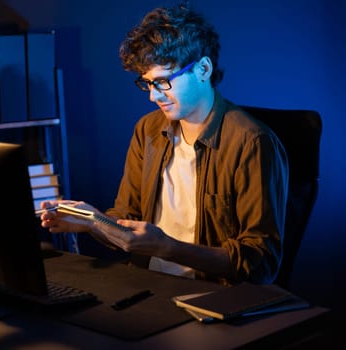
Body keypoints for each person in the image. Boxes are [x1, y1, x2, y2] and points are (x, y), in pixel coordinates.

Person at [40, 4, 289, 285]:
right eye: (147, 84)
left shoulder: (252, 143)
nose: (153, 96)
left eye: (163, 82)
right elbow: (127, 221)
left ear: (203, 69)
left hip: (213, 299)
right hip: (149, 285)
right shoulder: (148, 129)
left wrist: (167, 248)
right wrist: (92, 222)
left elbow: (261, 264)